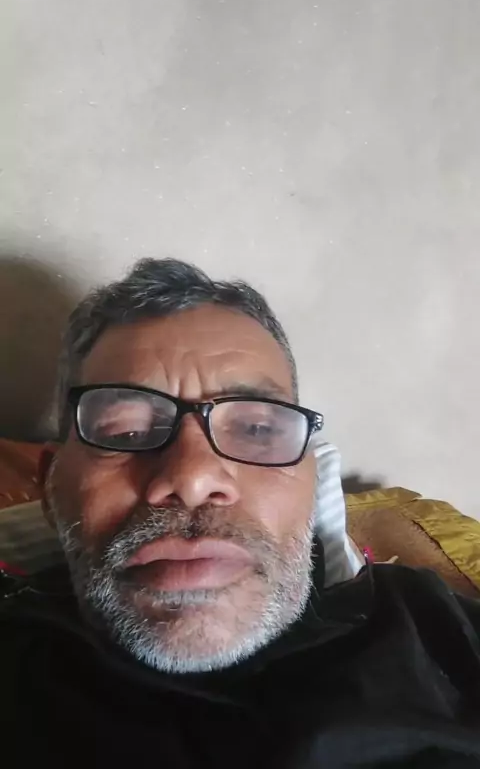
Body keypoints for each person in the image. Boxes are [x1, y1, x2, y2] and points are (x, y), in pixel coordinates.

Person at [1, 258, 480, 769]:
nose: (193, 478)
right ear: (51, 491)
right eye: (127, 431)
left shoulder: (438, 627)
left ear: (310, 481)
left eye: (255, 429)